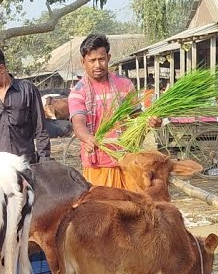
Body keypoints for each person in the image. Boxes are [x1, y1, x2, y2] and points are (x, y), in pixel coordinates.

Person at [68, 34, 159, 186]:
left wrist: (149, 121)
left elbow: (136, 115)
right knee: (103, 208)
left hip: (127, 161)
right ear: (83, 62)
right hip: (98, 165)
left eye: (101, 59)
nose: (97, 65)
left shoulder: (124, 85)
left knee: (131, 207)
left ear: (108, 58)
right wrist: (87, 138)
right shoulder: (78, 92)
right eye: (92, 61)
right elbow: (78, 123)